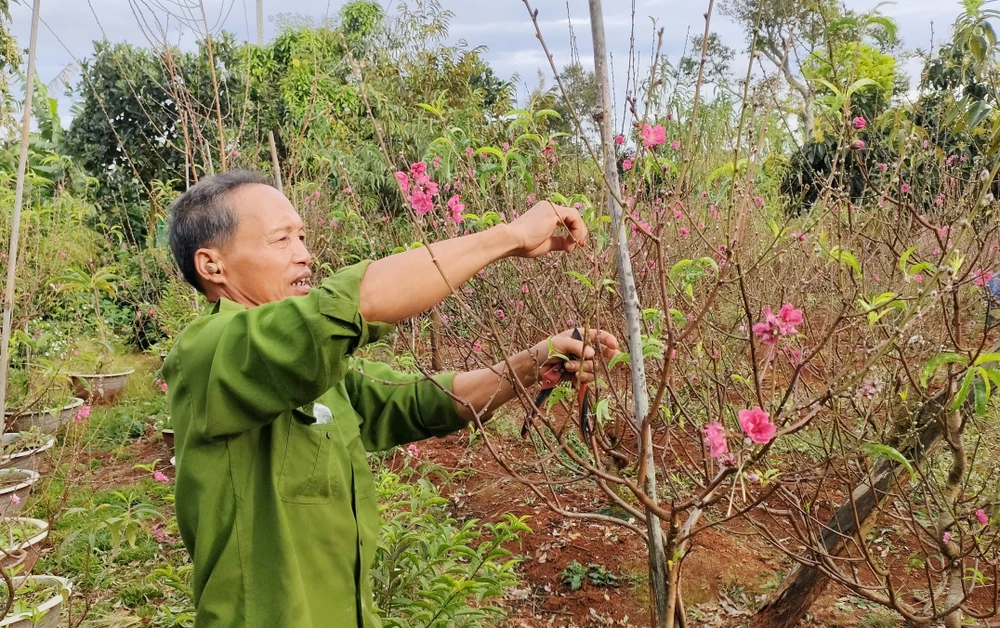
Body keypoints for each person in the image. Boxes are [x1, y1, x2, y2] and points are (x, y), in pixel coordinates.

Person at [162, 170, 620, 628]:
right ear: (212, 266)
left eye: (301, 237)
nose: (304, 254)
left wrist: (534, 362)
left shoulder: (315, 372)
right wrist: (510, 236)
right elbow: (351, 303)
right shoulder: (209, 352)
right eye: (281, 239)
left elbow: (421, 400)